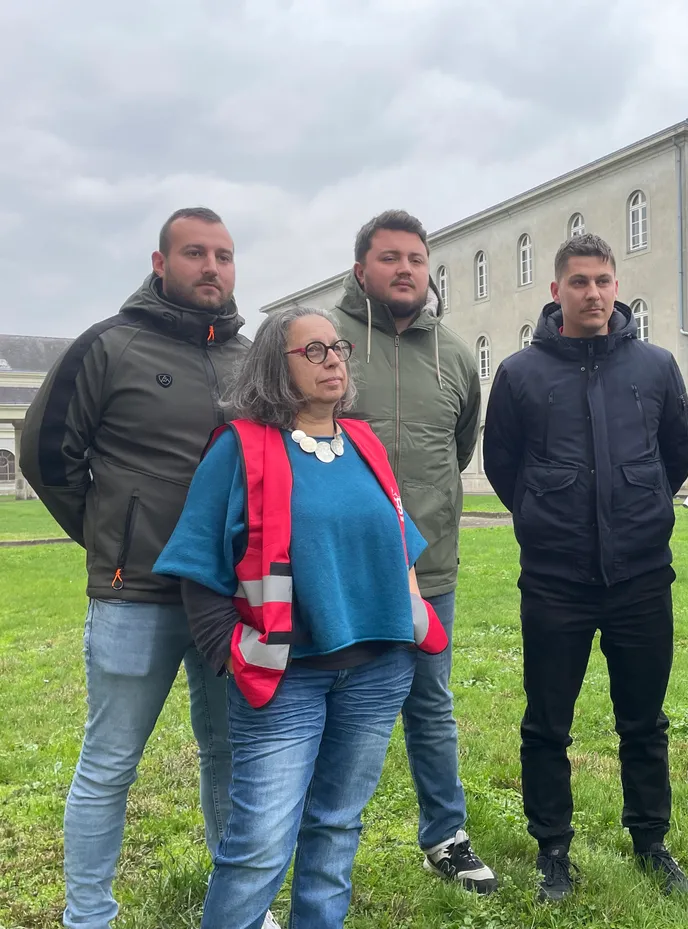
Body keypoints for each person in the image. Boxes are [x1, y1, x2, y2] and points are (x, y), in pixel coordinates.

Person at [153, 305, 448, 929]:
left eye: (337, 348)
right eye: (312, 351)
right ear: (273, 367)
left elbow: (399, 540)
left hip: (379, 671)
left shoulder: (365, 442)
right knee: (257, 847)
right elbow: (197, 563)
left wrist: (415, 614)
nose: (333, 359)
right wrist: (231, 652)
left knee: (337, 831)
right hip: (285, 678)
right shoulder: (240, 447)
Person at [20, 207, 248, 929]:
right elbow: (46, 452)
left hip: (229, 598)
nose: (211, 266)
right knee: (111, 762)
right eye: (194, 252)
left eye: (223, 254)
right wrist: (108, 537)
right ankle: (87, 914)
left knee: (230, 756)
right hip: (135, 594)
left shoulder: (250, 358)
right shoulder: (108, 346)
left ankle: (238, 903)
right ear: (160, 263)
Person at [482, 233, 688, 901]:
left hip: (639, 577)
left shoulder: (656, 366)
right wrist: (548, 514)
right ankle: (553, 846)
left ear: (617, 285)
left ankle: (651, 838)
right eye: (579, 281)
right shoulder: (519, 375)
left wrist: (635, 507)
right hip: (555, 580)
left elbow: (674, 454)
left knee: (644, 717)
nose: (594, 293)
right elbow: (502, 465)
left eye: (604, 280)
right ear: (557, 292)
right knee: (548, 721)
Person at [331, 209, 497, 893]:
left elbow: (458, 448)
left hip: (428, 569)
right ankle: (322, 842)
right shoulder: (323, 342)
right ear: (361, 266)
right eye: (390, 257)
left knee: (431, 706)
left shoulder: (454, 354)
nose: (405, 270)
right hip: (335, 572)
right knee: (329, 710)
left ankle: (446, 836)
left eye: (416, 259)